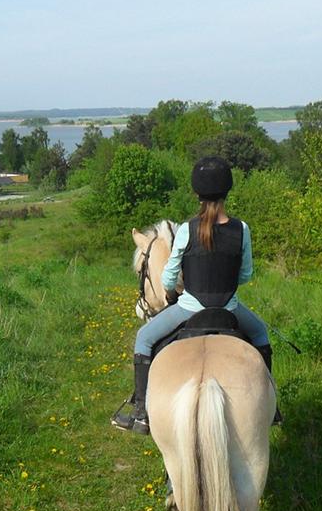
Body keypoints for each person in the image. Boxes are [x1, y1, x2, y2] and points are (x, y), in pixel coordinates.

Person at [111, 156, 273, 435]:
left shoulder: (186, 229)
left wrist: (175, 291)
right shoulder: (242, 229)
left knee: (144, 337)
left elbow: (169, 278)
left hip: (189, 308)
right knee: (260, 334)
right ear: (227, 191)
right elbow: (245, 275)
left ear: (197, 193)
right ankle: (272, 408)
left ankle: (141, 413)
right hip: (230, 309)